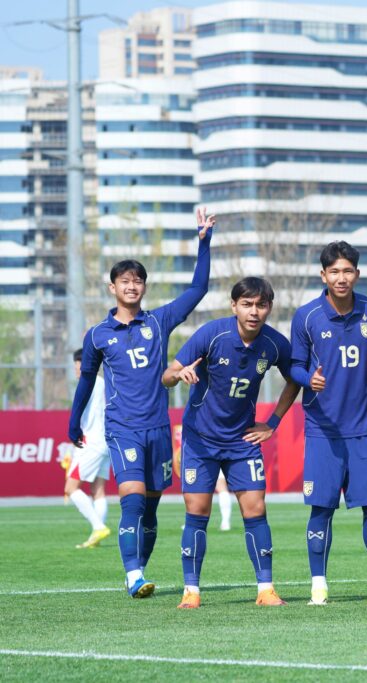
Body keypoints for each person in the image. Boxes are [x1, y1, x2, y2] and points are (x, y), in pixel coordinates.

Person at [67, 207, 214, 599]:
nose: (132, 286)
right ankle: (133, 574)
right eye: (125, 281)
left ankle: (139, 569)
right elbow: (86, 380)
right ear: (112, 287)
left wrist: (204, 243)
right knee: (131, 502)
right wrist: (74, 420)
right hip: (123, 429)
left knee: (150, 510)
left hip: (158, 430)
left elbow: (198, 290)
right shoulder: (98, 335)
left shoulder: (158, 322)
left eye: (138, 281)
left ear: (144, 287)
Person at [163, 277, 300, 608]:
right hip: (201, 440)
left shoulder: (275, 344)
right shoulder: (212, 334)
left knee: (256, 509)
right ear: (234, 305)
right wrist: (179, 375)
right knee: (197, 510)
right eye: (247, 304)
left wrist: (273, 423)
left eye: (261, 305)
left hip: (242, 441)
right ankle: (191, 591)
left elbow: (295, 379)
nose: (254, 312)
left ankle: (266, 590)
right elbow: (167, 375)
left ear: (269, 307)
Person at [290, 241, 367, 605]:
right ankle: (319, 587)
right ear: (323, 275)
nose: (341, 278)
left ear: (357, 274)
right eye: (334, 272)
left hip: (366, 429)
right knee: (322, 508)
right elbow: (293, 366)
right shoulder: (306, 316)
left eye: (347, 271)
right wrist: (309, 378)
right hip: (323, 431)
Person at [64, 348, 111, 549]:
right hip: (106, 442)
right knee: (97, 490)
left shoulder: (88, 383)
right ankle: (96, 537)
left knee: (71, 488)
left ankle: (98, 527)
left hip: (90, 442)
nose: (76, 368)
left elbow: (79, 411)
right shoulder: (104, 383)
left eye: (78, 364)